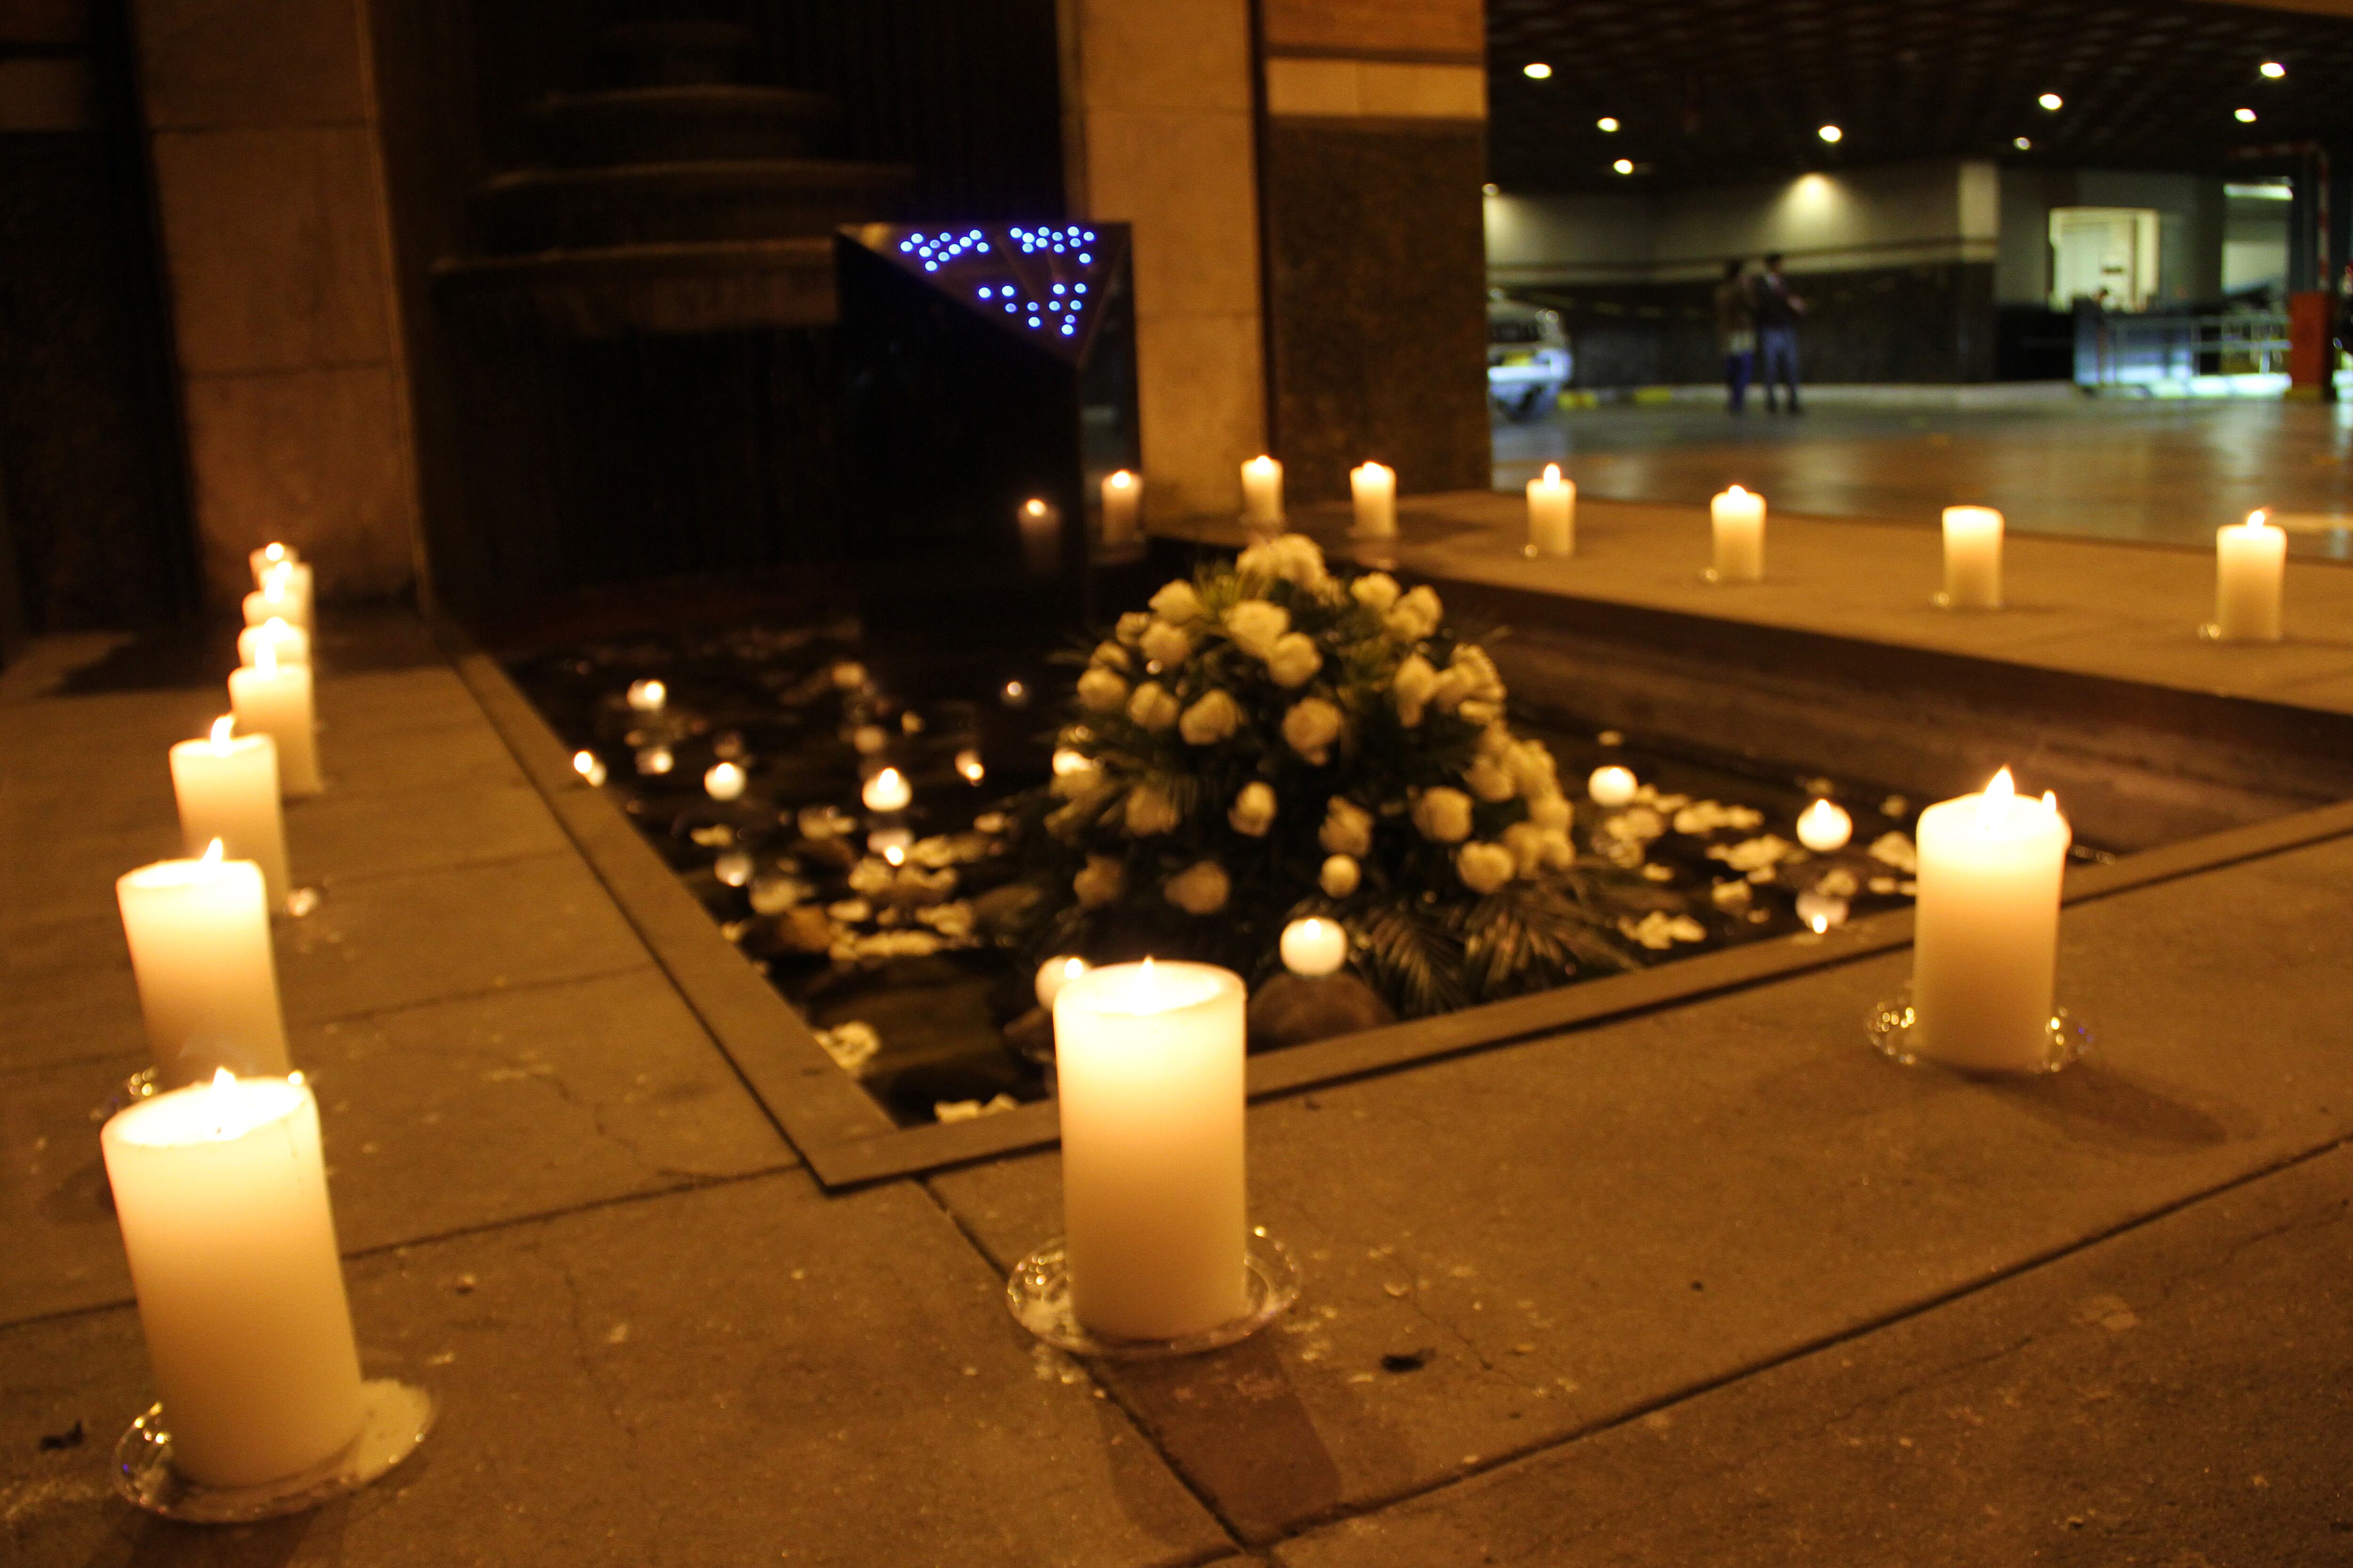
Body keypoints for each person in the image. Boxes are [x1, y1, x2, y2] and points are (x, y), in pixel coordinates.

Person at [1752, 253, 1806, 414]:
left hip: (1786, 327)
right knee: (1770, 367)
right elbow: (1763, 304)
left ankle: (1793, 401)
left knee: (1791, 366)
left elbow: (1793, 301)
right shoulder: (1760, 284)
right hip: (1769, 328)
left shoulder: (1786, 282)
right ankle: (1771, 401)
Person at [1714, 259, 1756, 414]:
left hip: (1726, 332)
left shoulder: (1721, 290)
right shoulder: (1739, 289)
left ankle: (1734, 399)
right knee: (1743, 366)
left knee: (1732, 367)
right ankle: (1738, 400)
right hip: (1741, 332)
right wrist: (1747, 287)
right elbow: (1752, 305)